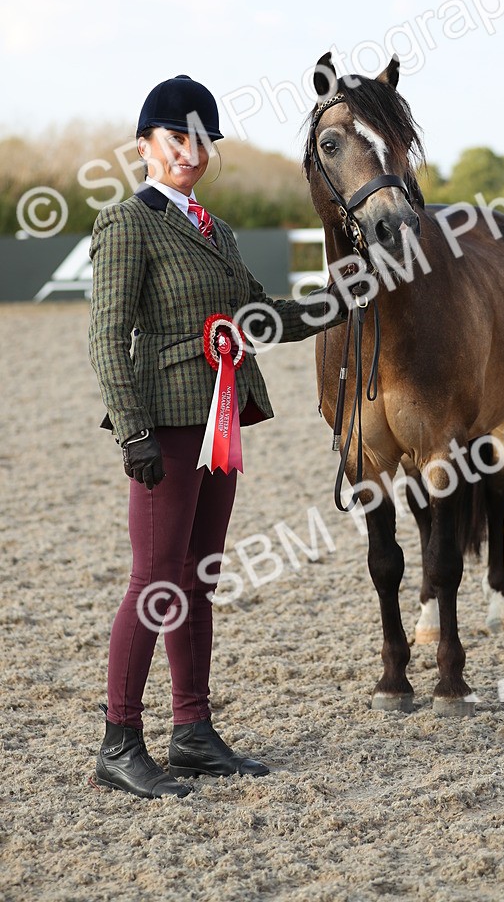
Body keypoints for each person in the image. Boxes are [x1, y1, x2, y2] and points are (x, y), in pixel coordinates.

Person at [88, 74, 345, 799]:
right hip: (164, 426)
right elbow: (107, 337)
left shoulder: (218, 231)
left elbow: (258, 315)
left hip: (219, 427)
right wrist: (132, 429)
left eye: (203, 140)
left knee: (198, 576)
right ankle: (119, 740)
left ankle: (193, 732)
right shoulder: (127, 222)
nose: (191, 152)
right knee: (154, 579)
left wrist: (334, 306)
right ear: (144, 146)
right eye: (177, 138)